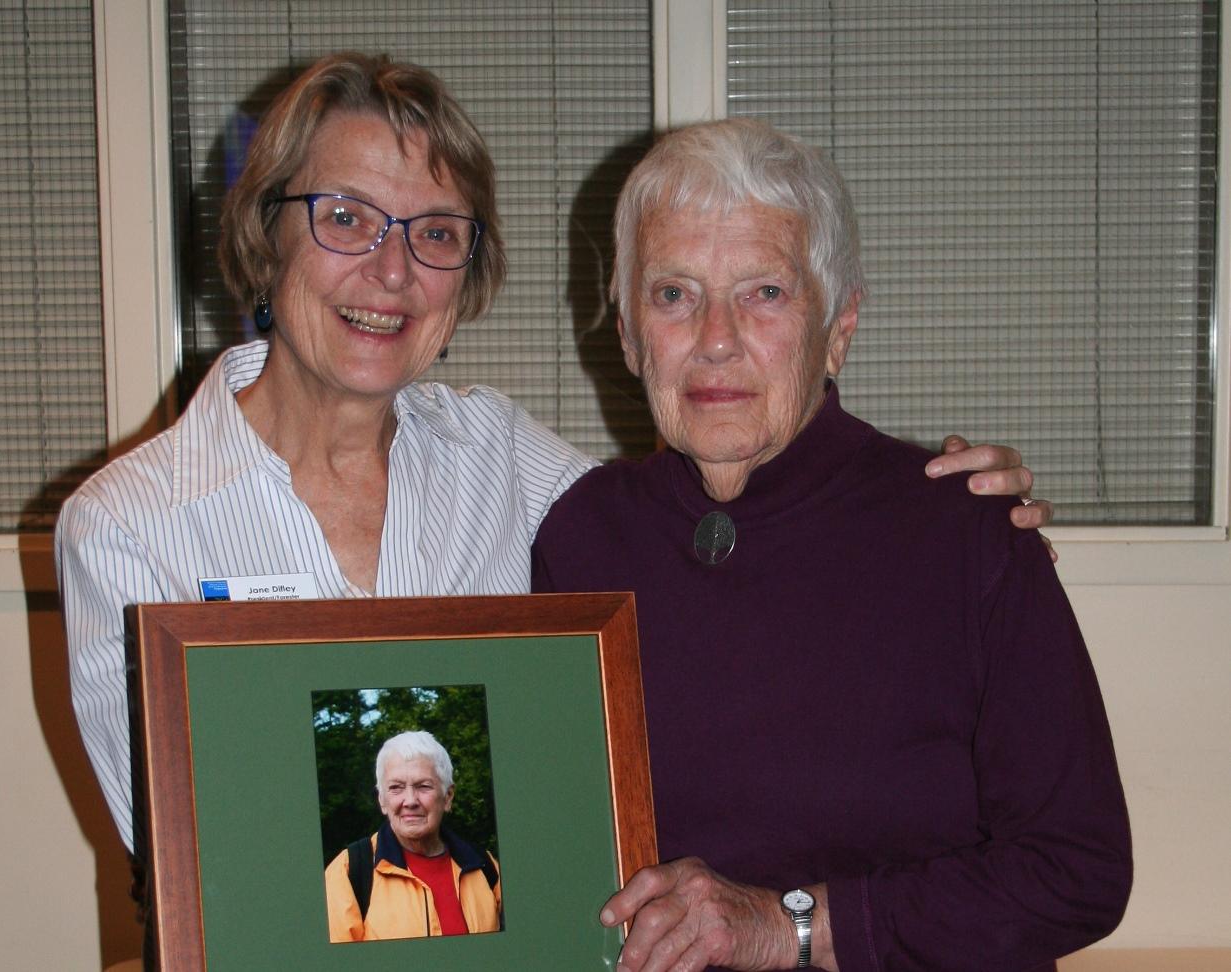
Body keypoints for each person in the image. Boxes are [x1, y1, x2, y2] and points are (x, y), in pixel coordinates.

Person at [55, 51, 1047, 855]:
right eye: (346, 218)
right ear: (268, 236)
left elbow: (720, 515)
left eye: (435, 232)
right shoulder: (130, 526)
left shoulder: (504, 458)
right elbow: (193, 861)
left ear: (464, 278)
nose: (391, 270)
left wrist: (938, 501)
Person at [530, 119, 1131, 972]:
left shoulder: (965, 533)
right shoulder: (581, 536)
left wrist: (792, 928)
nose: (716, 337)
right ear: (628, 335)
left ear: (839, 325)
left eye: (765, 292)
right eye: (673, 294)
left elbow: (1079, 870)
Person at [323, 731, 501, 942]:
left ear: (448, 797)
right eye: (396, 788)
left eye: (423, 786)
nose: (410, 801)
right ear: (382, 800)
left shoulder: (485, 866)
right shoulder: (348, 872)